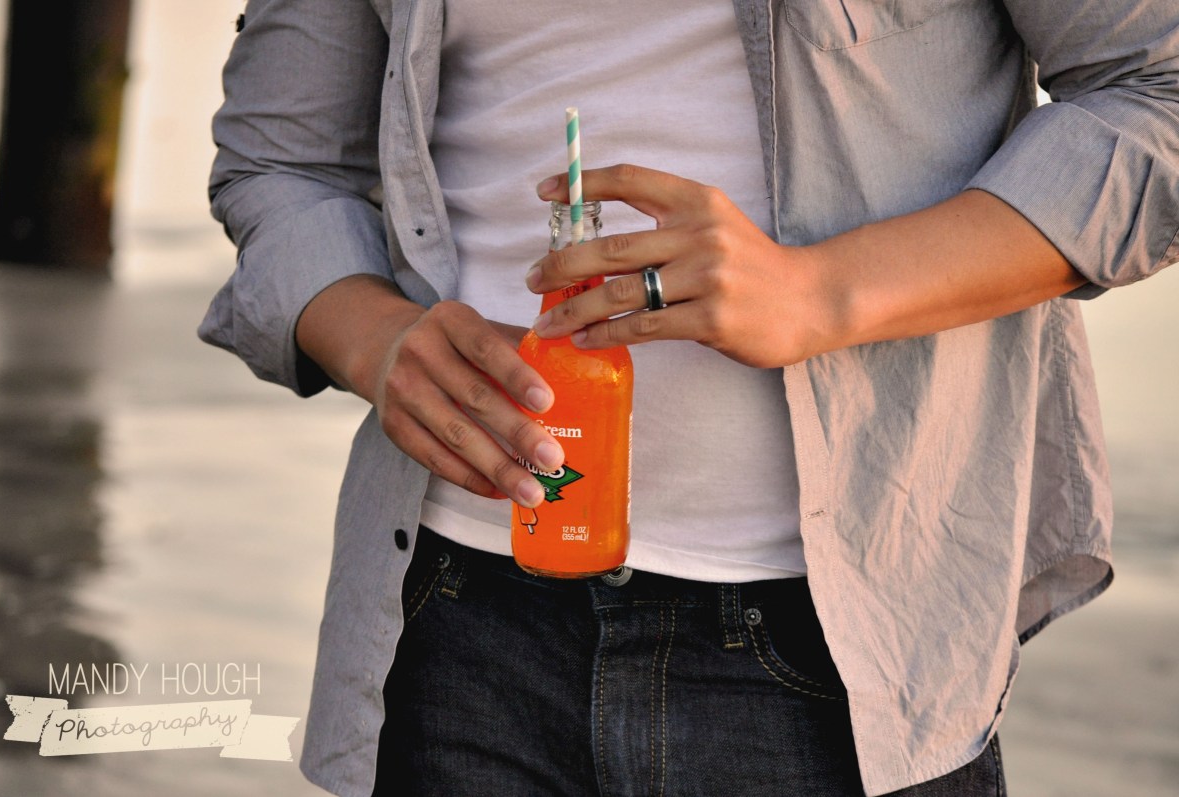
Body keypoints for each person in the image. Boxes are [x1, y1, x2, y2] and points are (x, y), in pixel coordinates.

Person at [199, 0, 1179, 794]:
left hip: (840, 641)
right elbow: (280, 161)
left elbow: (1159, 96)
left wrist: (821, 290)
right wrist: (376, 338)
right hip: (460, 619)